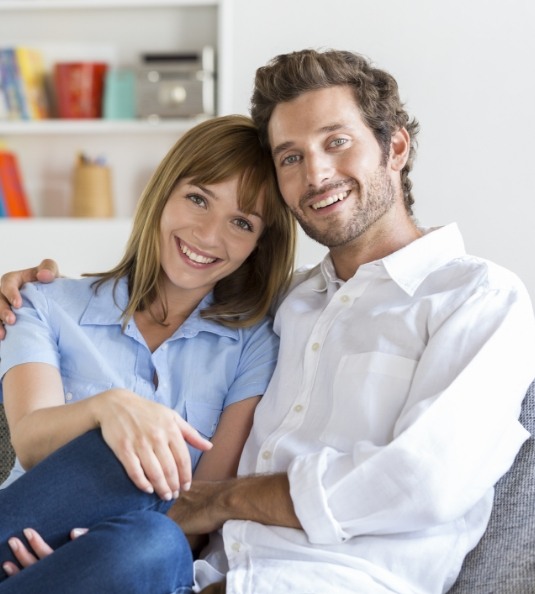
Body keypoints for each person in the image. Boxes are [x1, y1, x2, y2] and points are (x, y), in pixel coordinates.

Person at [1, 48, 535, 594]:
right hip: (194, 577)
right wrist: (22, 291)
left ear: (395, 146)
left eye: (337, 141)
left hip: (336, 583)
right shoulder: (290, 303)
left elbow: (423, 482)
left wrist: (219, 500)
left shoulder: (478, 299)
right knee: (129, 493)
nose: (317, 173)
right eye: (290, 157)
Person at [0, 114, 296, 593]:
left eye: (241, 222)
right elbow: (32, 441)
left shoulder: (256, 344)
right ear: (164, 193)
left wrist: (81, 558)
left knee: (154, 541)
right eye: (198, 199)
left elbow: (200, 507)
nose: (207, 235)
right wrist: (110, 408)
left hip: (132, 565)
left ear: (259, 245)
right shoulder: (42, 302)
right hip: (19, 537)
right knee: (119, 447)